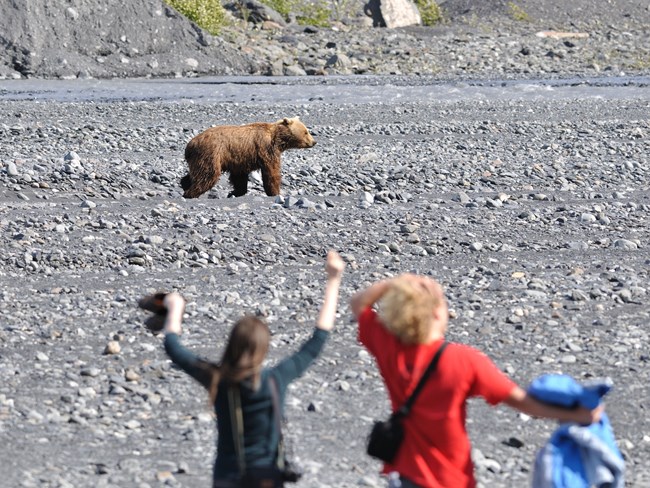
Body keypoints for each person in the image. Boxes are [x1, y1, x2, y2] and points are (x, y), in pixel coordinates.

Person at [350, 273, 604, 488]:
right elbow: (522, 402)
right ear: (438, 313)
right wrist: (577, 415)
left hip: (405, 472)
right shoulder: (463, 360)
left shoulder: (389, 348)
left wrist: (396, 282)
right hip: (452, 476)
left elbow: (359, 304)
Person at [157, 250, 345, 487]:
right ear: (263, 349)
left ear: (231, 345)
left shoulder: (216, 379)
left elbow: (173, 347)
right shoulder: (276, 379)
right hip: (266, 477)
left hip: (227, 477)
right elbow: (316, 341)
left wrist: (175, 307)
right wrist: (334, 279)